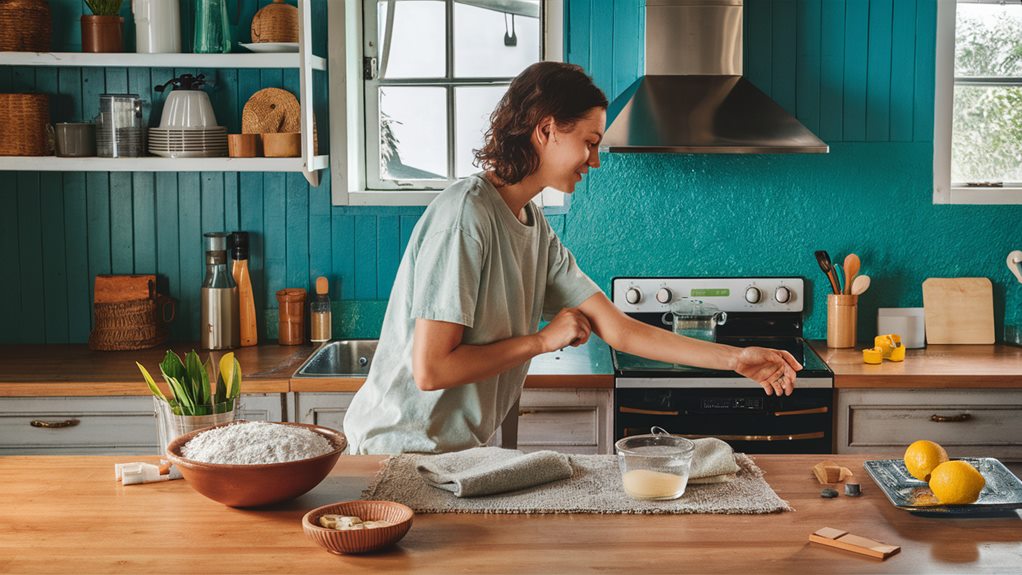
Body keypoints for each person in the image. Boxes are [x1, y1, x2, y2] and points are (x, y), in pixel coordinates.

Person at [343, 62, 802, 455]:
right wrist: (542, 342)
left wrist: (736, 358)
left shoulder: (532, 224)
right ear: (546, 129)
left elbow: (619, 329)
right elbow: (431, 370)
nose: (595, 160)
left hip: (450, 454)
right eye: (590, 141)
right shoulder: (466, 216)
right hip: (398, 449)